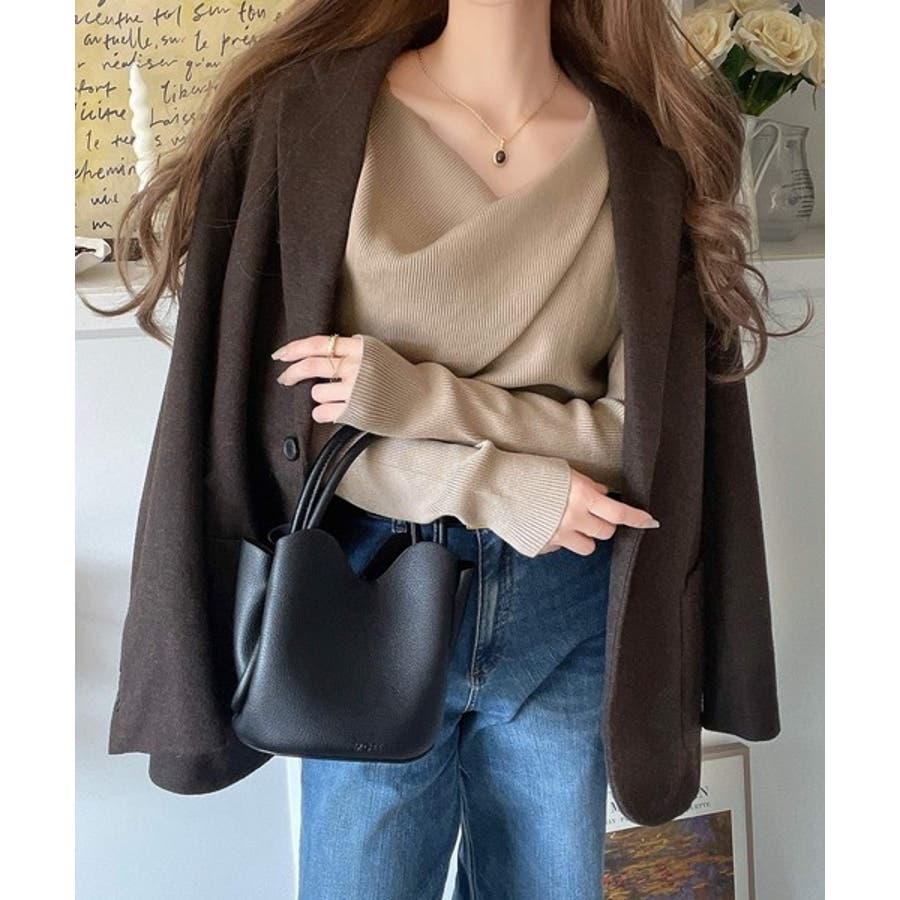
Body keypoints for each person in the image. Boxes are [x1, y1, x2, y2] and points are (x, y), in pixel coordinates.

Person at [100, 2, 808, 897]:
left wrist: (409, 397)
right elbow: (291, 427)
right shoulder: (305, 118)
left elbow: (639, 436)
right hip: (361, 596)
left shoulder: (651, 141)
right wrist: (501, 487)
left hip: (571, 604)